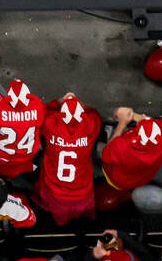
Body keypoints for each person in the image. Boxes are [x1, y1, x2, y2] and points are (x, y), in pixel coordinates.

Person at [34, 93, 101, 225]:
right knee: (83, 225)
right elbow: (95, 114)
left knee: (59, 222)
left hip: (54, 192)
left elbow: (45, 111)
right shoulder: (90, 125)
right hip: (82, 193)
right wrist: (82, 106)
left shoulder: (50, 124)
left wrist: (58, 101)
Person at [99, 108, 162, 201]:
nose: (143, 116)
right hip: (141, 177)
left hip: (117, 179)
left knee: (102, 150)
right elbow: (161, 124)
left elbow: (107, 151)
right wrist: (138, 118)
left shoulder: (121, 148)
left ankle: (107, 133)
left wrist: (122, 123)